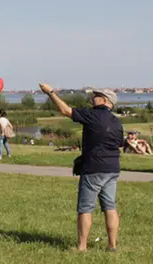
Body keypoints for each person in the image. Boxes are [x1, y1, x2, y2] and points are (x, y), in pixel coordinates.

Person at [40, 83, 124, 252]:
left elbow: (66, 110)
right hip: (113, 168)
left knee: (85, 208)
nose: (92, 98)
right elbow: (120, 143)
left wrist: (50, 92)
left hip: (93, 168)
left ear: (106, 100)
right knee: (110, 206)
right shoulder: (117, 122)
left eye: (96, 95)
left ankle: (82, 246)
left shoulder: (92, 115)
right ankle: (112, 245)